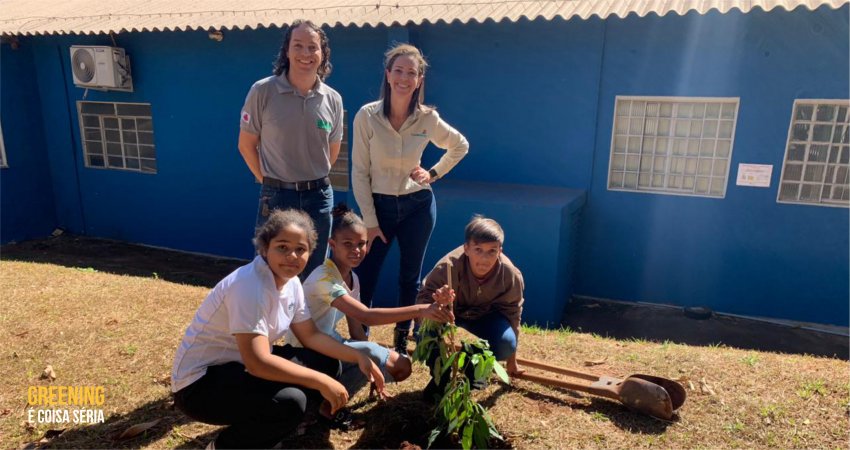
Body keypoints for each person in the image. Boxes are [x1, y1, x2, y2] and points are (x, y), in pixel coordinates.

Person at [171, 209, 386, 449]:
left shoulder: (292, 282)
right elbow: (258, 362)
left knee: (326, 361)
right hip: (200, 385)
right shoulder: (249, 286)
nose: (292, 256)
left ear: (311, 252)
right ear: (265, 247)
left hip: (239, 366)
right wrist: (322, 382)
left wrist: (359, 356)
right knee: (290, 402)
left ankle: (286, 426)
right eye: (282, 247)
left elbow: (311, 336)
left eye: (300, 249)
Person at [351, 44, 469, 354]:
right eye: (399, 71)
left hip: (418, 206)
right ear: (388, 75)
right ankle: (359, 344)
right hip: (378, 207)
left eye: (412, 73)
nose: (405, 78)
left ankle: (402, 343)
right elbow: (359, 173)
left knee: (409, 277)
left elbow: (460, 145)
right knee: (366, 274)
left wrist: (433, 173)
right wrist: (371, 223)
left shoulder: (428, 119)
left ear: (419, 81)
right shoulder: (367, 116)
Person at [286, 203, 454, 384]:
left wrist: (374, 363)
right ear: (332, 244)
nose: (356, 251)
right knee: (369, 361)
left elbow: (356, 329)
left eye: (361, 244)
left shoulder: (353, 279)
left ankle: (348, 380)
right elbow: (366, 316)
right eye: (348, 244)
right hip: (307, 349)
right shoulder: (324, 278)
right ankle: (327, 401)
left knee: (401, 365)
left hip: (334, 343)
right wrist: (420, 310)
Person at [238, 19, 343, 278]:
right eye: (298, 45)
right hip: (277, 196)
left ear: (322, 54)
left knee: (314, 272)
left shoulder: (332, 98)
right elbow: (246, 144)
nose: (305, 54)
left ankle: (306, 321)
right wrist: (269, 182)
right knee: (268, 271)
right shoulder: (263, 91)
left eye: (312, 47)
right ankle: (269, 320)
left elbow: (332, 150)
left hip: (318, 198)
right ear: (287, 50)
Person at [416, 216, 525, 396]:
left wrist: (511, 360)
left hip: (485, 318)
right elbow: (422, 304)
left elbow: (513, 314)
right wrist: (438, 302)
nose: (484, 258)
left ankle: (471, 374)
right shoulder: (447, 268)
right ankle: (440, 380)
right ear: (466, 249)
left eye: (492, 251)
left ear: (500, 251)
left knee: (506, 343)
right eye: (478, 250)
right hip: (450, 316)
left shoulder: (510, 275)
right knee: (425, 333)